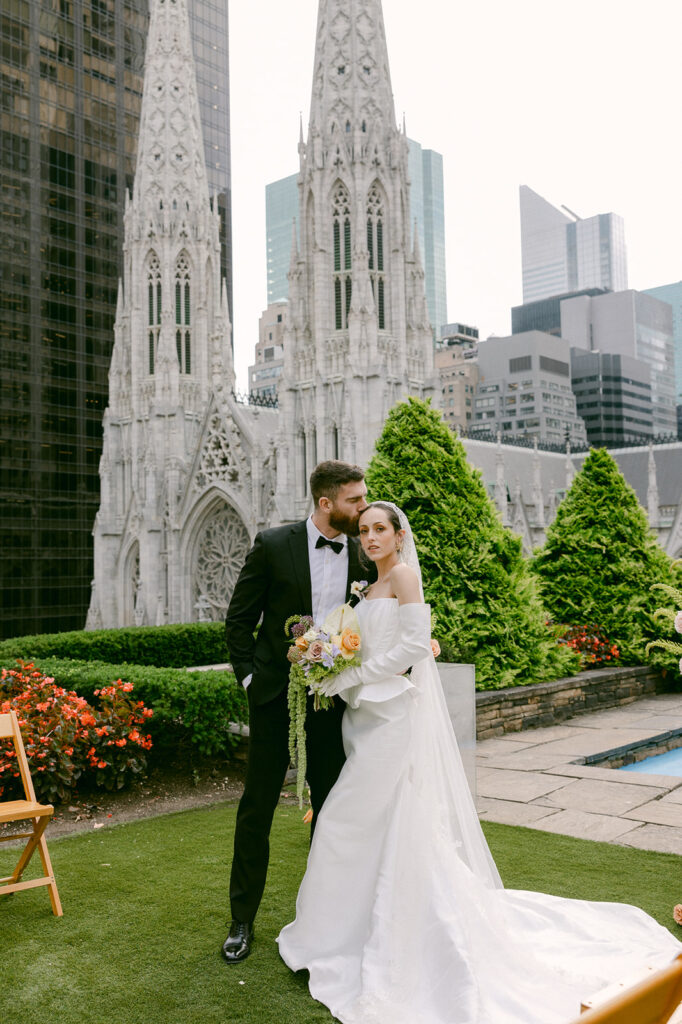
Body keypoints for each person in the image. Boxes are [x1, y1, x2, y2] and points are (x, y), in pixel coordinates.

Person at [277, 501, 682, 1024]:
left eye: (380, 529)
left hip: (391, 718)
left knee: (340, 821)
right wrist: (327, 660)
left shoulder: (402, 576)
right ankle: (360, 925)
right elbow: (373, 642)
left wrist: (345, 678)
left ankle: (367, 934)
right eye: (364, 531)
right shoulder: (365, 587)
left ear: (400, 536)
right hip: (362, 721)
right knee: (377, 825)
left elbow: (412, 649)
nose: (371, 537)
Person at [221, 460, 372, 964]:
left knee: (329, 812)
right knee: (256, 809)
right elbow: (239, 621)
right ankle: (242, 920)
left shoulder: (362, 555)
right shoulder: (272, 544)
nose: (363, 507)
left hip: (332, 704)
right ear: (326, 503)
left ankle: (324, 923)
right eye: (355, 500)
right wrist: (251, 682)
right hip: (273, 701)